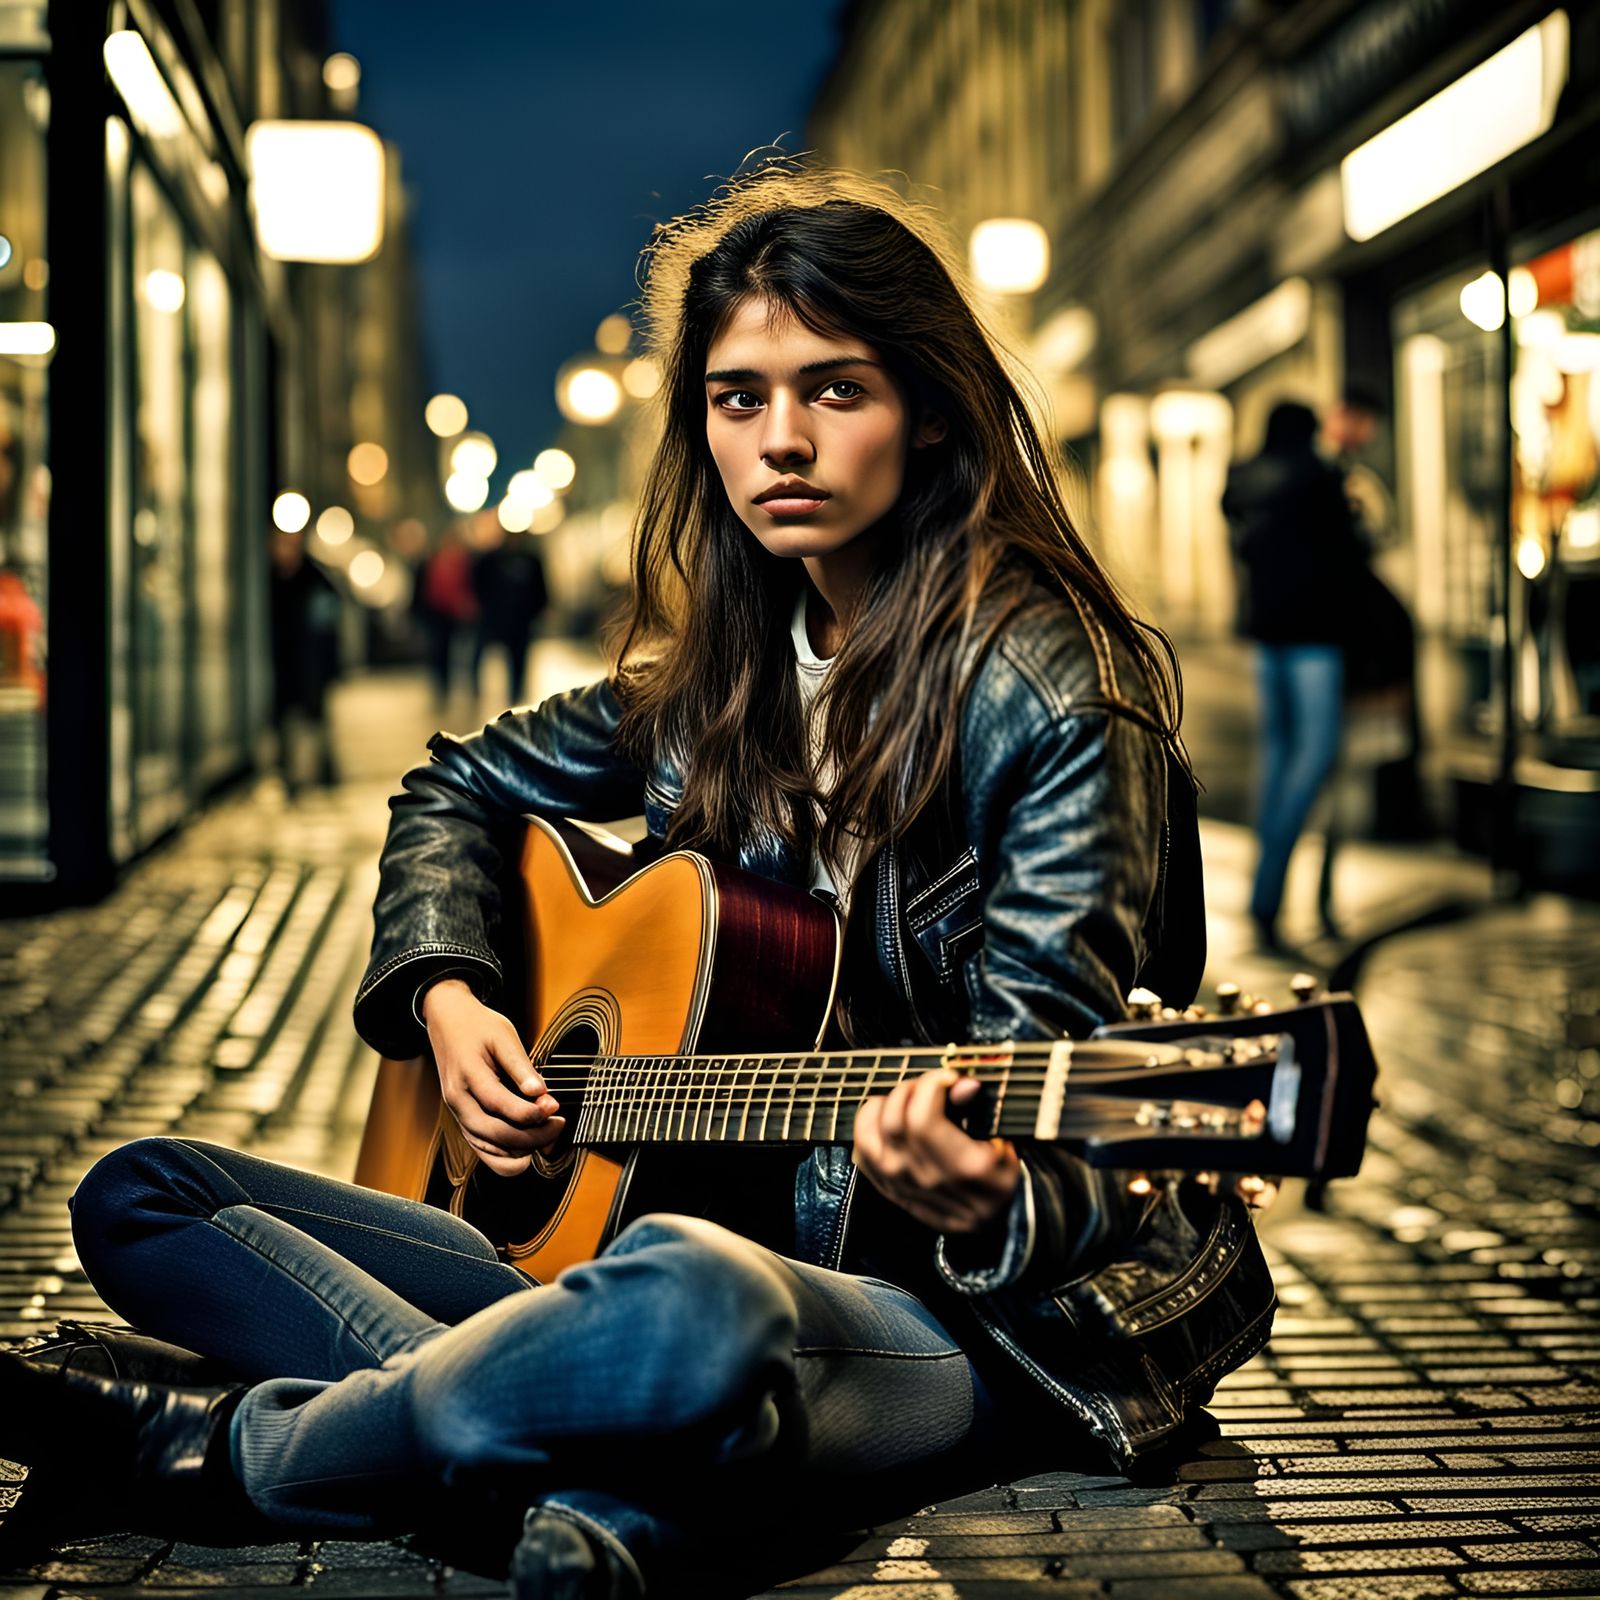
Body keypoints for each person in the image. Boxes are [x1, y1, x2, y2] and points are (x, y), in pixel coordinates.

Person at [1, 162, 1274, 1599]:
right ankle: (571, 1438)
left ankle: (249, 1453)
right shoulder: (724, 678)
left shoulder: (1054, 694)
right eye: (739, 399)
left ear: (928, 408)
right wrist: (453, 999)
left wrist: (987, 1192)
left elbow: (1069, 1115)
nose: (781, 439)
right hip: (659, 1248)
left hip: (951, 1319)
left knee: (685, 1296)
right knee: (142, 1194)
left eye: (834, 390)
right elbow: (453, 786)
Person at [1224, 400, 1367, 952]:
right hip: (1316, 641)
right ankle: (1269, 887)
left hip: (1268, 639)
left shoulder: (1244, 481)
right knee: (1316, 756)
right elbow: (1348, 560)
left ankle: (1266, 889)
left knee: (1280, 759)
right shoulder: (1318, 479)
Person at [268, 528, 342, 794]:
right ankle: (291, 774)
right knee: (285, 718)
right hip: (282, 663)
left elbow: (328, 628)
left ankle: (320, 774)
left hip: (310, 664)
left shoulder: (315, 579)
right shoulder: (268, 580)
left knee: (313, 718)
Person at [472, 525, 549, 706]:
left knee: (519, 658)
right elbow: (479, 583)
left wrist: (538, 609)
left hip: (521, 619)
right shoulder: (492, 560)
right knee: (482, 653)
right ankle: (475, 689)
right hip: (495, 617)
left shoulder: (530, 559)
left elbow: (540, 587)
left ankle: (516, 692)